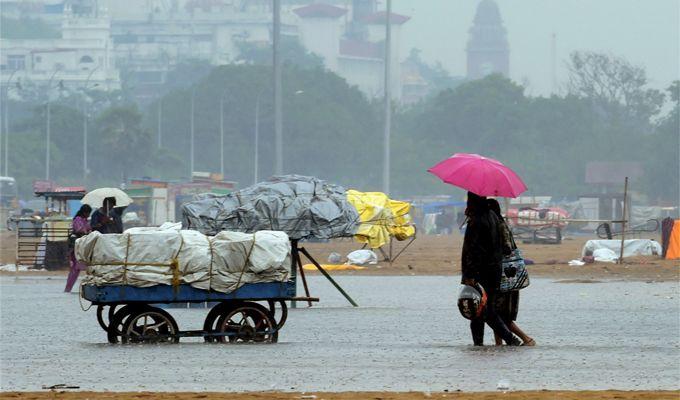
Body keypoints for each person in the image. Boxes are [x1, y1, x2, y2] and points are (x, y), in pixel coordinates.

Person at [461, 192, 521, 346]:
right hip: (494, 270)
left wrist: (469, 275)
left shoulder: (476, 221)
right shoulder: (492, 217)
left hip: (479, 272)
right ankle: (478, 345)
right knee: (482, 310)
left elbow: (472, 250)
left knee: (483, 310)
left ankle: (509, 339)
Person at [487, 198, 536, 347]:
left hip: (505, 276)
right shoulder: (500, 224)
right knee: (498, 313)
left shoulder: (499, 226)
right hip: (508, 276)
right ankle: (498, 344)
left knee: (500, 315)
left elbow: (507, 248)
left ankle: (527, 339)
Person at [64, 204, 92, 292]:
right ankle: (68, 288)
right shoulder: (78, 219)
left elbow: (88, 229)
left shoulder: (84, 220)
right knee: (75, 269)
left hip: (82, 245)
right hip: (77, 245)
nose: (88, 215)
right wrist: (86, 232)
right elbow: (80, 230)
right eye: (88, 213)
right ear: (84, 212)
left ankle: (69, 288)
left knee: (76, 269)